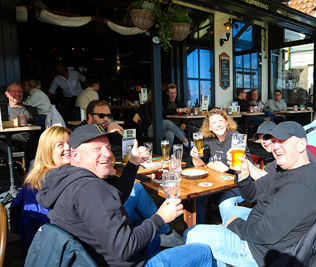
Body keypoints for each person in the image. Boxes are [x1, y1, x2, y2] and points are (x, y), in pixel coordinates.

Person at [36, 124, 213, 266]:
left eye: (107, 147)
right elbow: (125, 248)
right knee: (203, 251)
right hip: (124, 261)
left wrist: (133, 163)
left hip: (95, 256)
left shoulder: (65, 180)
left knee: (154, 241)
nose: (106, 153)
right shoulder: (90, 189)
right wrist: (159, 218)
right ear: (74, 155)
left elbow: (114, 198)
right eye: (96, 148)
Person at [185, 121, 316, 266]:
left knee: (192, 233)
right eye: (274, 141)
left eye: (283, 141)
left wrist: (235, 224)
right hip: (262, 223)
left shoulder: (301, 185)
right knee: (227, 209)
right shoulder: (287, 168)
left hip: (261, 251)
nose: (276, 146)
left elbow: (264, 234)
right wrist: (243, 173)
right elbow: (252, 195)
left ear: (302, 144)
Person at [10, 126, 71, 259]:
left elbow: (15, 209)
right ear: (47, 151)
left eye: (70, 143)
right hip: (49, 252)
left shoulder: (34, 177)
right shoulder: (52, 181)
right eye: (60, 144)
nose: (68, 148)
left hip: (32, 249)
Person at [0, 83, 36, 153]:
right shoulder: (2, 109)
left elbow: (26, 120)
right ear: (6, 93)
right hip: (4, 139)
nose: (17, 94)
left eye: (20, 91)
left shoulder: (28, 109)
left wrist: (5, 124)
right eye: (14, 91)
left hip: (18, 141)